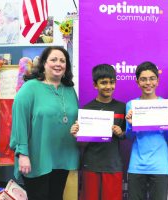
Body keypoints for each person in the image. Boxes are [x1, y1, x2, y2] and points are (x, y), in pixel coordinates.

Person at [9, 46, 79, 200]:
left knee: (56, 197)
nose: (58, 64)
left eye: (62, 60)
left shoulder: (69, 90)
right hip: (36, 157)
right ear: (44, 64)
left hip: (63, 156)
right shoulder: (30, 88)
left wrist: (78, 127)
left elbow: (75, 118)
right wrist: (22, 154)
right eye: (53, 59)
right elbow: (19, 122)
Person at [70, 64, 126, 200]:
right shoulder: (86, 109)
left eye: (112, 82)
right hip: (91, 165)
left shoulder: (122, 107)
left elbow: (127, 135)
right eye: (103, 83)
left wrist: (120, 133)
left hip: (113, 166)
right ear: (95, 85)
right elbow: (81, 144)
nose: (108, 86)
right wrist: (77, 135)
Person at [125, 61, 168, 200]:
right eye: (143, 79)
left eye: (152, 78)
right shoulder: (131, 105)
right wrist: (130, 124)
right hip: (137, 166)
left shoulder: (166, 105)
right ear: (137, 82)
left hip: (160, 166)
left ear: (157, 81)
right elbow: (129, 137)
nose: (148, 83)